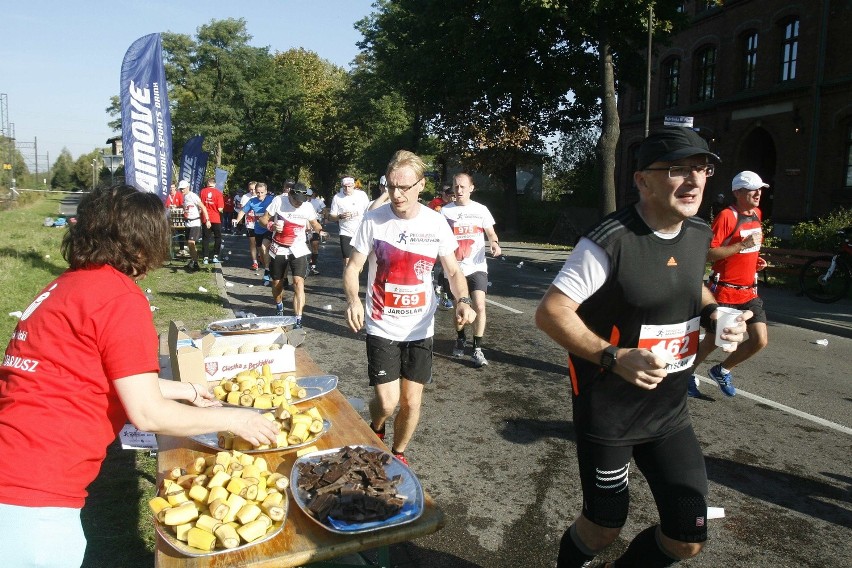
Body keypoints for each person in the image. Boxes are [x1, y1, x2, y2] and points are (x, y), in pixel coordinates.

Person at [0, 185, 278, 567]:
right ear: (142, 242)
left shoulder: (65, 286)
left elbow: (97, 374)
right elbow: (148, 414)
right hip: (34, 492)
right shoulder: (118, 298)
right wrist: (237, 418)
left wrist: (187, 390)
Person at [535, 127, 750, 568]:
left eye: (701, 169)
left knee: (687, 536)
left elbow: (693, 287)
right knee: (602, 528)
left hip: (669, 413)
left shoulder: (697, 233)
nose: (693, 181)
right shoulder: (609, 240)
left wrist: (717, 315)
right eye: (677, 170)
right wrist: (613, 357)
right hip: (610, 415)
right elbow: (551, 312)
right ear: (643, 181)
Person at [343, 150, 476, 465]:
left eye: (404, 187)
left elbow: (454, 271)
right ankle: (376, 428)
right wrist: (352, 300)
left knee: (411, 402)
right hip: (381, 323)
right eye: (391, 186)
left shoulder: (436, 222)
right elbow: (353, 267)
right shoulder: (373, 219)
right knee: (387, 403)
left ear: (421, 185)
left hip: (420, 327)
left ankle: (399, 454)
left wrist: (464, 300)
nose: (397, 194)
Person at [688, 170, 769, 398]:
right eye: (753, 189)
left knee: (759, 340)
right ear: (738, 192)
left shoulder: (757, 214)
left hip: (749, 292)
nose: (758, 193)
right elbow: (709, 253)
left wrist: (755, 262)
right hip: (725, 292)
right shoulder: (727, 216)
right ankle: (686, 375)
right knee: (714, 341)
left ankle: (722, 370)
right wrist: (740, 246)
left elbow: (749, 249)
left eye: (760, 189)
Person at [441, 172, 501, 367]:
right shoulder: (445, 212)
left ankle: (477, 348)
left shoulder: (481, 210)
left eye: (462, 187)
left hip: (477, 266)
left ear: (471, 188)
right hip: (454, 269)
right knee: (460, 308)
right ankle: (460, 337)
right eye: (456, 187)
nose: (458, 190)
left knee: (480, 306)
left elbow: (490, 232)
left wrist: (494, 243)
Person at [259, 186, 325, 325]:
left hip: (299, 248)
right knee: (277, 284)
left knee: (298, 283)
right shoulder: (278, 201)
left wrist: (321, 231)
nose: (298, 203)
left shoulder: (307, 206)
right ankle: (279, 306)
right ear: (290, 195)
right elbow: (263, 219)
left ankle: (298, 319)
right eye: (296, 200)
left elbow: (315, 223)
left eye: (301, 201)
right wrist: (271, 226)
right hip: (279, 247)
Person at [233, 182, 274, 285]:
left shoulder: (271, 200)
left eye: (262, 192)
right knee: (262, 252)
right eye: (258, 192)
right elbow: (242, 212)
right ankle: (267, 268)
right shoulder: (252, 201)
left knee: (265, 247)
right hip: (258, 229)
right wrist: (237, 220)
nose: (260, 195)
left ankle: (270, 270)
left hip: (269, 229)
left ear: (266, 191)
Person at [330, 176, 370, 268]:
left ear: (354, 185)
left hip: (360, 231)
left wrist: (357, 214)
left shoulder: (362, 195)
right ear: (342, 186)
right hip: (345, 232)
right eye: (345, 186)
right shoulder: (337, 197)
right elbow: (331, 217)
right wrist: (340, 216)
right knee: (347, 261)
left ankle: (355, 279)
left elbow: (369, 210)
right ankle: (347, 281)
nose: (347, 189)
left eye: (349, 186)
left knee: (359, 261)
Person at [179, 179, 210, 272]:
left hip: (195, 223)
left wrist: (207, 220)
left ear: (188, 187)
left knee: (191, 242)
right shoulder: (184, 197)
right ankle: (194, 261)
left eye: (183, 189)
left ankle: (195, 262)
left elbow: (203, 207)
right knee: (190, 244)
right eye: (180, 189)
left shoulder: (193, 196)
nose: (182, 190)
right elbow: (186, 208)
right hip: (188, 222)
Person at [200, 176, 224, 264]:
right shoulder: (218, 193)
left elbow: (201, 205)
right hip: (216, 218)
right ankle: (215, 256)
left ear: (207, 183)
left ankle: (205, 257)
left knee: (206, 238)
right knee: (217, 237)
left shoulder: (202, 191)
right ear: (215, 184)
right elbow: (220, 208)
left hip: (205, 218)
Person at [307, 188, 327, 275]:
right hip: (302, 227)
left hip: (314, 225)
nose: (309, 198)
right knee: (305, 248)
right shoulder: (298, 203)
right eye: (307, 196)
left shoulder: (317, 202)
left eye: (310, 196)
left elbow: (323, 210)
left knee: (315, 246)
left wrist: (324, 217)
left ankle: (313, 266)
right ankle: (304, 266)